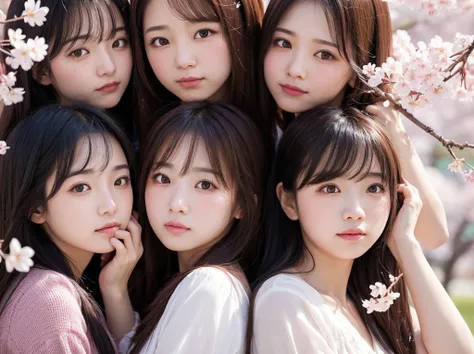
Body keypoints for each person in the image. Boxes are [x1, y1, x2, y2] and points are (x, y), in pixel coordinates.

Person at [248, 106, 474, 354]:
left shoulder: (376, 309)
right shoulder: (286, 300)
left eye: (374, 188)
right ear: (290, 202)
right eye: (330, 188)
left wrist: (406, 246)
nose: (355, 211)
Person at [259, 0, 448, 249]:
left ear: (358, 67)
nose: (296, 68)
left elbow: (433, 235)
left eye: (325, 54)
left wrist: (398, 142)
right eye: (283, 42)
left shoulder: (367, 140)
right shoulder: (259, 129)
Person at [0, 105, 142, 353]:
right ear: (36, 208)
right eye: (80, 187)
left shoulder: (51, 291)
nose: (110, 205)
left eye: (120, 181)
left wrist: (114, 288)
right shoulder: (49, 302)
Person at [124, 102, 264, 353]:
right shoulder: (209, 285)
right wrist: (114, 289)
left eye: (205, 184)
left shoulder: (208, 287)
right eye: (163, 178)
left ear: (242, 205)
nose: (177, 204)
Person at [129, 0, 264, 138]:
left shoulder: (292, 140)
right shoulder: (131, 144)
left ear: (241, 24)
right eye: (161, 41)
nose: (184, 61)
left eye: (203, 33)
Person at [0, 0, 133, 139]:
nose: (109, 68)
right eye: (79, 52)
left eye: (118, 43)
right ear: (41, 70)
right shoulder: (38, 154)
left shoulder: (146, 127)